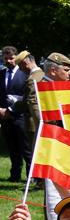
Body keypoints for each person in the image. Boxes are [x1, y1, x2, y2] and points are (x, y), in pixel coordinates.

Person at [0, 46, 29, 181]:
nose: (9, 61)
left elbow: (27, 97)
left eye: (11, 58)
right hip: (5, 118)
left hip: (21, 117)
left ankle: (32, 177)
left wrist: (11, 110)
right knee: (12, 148)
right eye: (5, 58)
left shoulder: (25, 75)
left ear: (16, 57)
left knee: (26, 148)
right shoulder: (1, 74)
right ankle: (15, 175)